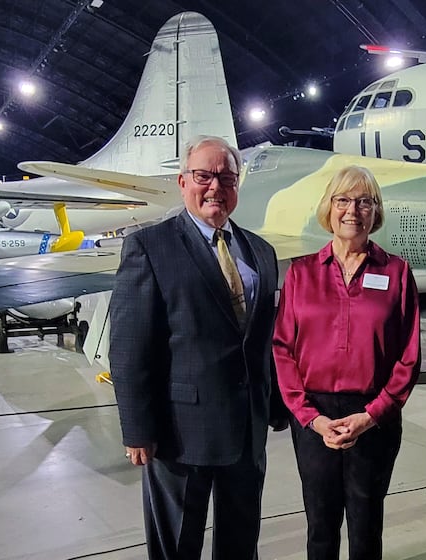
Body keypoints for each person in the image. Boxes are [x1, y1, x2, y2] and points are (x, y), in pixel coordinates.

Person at [109, 135, 283, 560]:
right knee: (177, 544)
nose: (215, 187)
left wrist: (276, 406)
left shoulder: (261, 251)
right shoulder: (150, 247)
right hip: (180, 433)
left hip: (247, 430)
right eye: (204, 176)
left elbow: (264, 339)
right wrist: (137, 429)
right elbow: (130, 346)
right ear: (182, 181)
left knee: (241, 541)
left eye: (227, 178)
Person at [272, 165, 421, 560]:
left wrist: (372, 415)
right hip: (314, 416)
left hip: (374, 417)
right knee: (320, 528)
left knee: (366, 527)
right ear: (329, 207)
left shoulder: (396, 272)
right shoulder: (301, 274)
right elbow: (283, 349)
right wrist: (310, 417)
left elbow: (408, 356)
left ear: (376, 211)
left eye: (364, 202)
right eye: (343, 200)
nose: (352, 210)